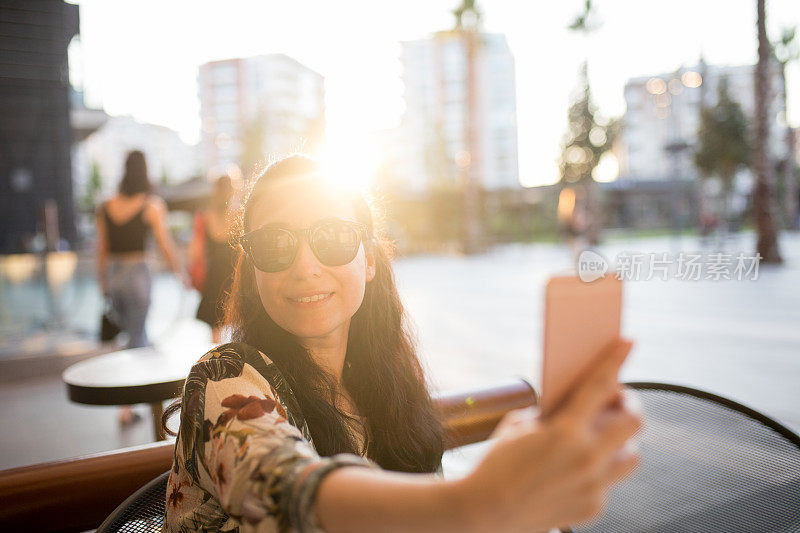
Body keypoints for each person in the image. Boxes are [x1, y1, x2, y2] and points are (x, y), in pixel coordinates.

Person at [163, 154, 641, 532]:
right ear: (252, 274)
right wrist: (479, 503)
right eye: (275, 243)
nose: (305, 265)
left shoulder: (383, 383)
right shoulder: (222, 378)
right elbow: (281, 488)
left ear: (368, 261)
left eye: (331, 236)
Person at [96, 150, 186, 425]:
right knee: (137, 339)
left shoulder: (105, 206)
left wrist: (103, 283)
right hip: (138, 274)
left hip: (114, 274)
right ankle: (130, 405)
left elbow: (102, 249)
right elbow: (164, 243)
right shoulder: (151, 205)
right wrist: (180, 272)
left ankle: (137, 402)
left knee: (131, 336)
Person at [190, 175, 237, 343]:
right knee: (240, 324)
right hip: (236, 274)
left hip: (214, 276)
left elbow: (196, 251)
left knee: (215, 331)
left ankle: (217, 364)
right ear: (233, 189)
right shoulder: (239, 214)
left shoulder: (205, 216)